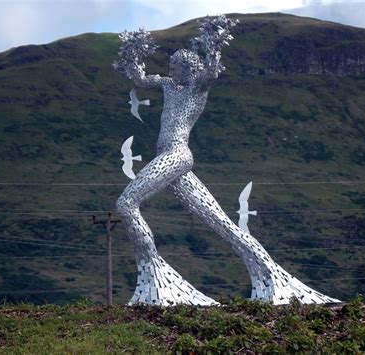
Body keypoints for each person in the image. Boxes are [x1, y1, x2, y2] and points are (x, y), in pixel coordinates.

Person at [113, 15, 339, 306]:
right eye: (173, 66)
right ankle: (272, 278)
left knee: (126, 203)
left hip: (176, 156)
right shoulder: (169, 85)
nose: (174, 71)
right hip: (168, 160)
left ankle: (153, 277)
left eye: (181, 67)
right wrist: (133, 56)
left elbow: (212, 73)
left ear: (191, 68)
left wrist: (213, 44)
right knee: (222, 224)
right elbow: (141, 80)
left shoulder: (198, 88)